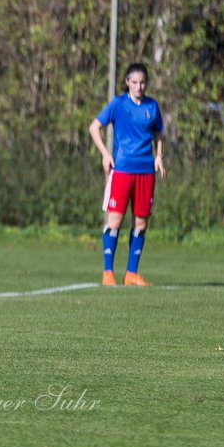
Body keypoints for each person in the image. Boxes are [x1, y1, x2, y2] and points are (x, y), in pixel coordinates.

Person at [89, 62, 166, 287]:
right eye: (134, 82)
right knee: (115, 220)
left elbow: (159, 133)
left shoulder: (152, 106)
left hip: (145, 171)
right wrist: (105, 153)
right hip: (122, 170)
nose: (139, 86)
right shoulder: (118, 104)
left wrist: (158, 156)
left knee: (141, 222)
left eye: (142, 82)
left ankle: (131, 273)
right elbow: (94, 127)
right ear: (127, 82)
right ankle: (108, 273)